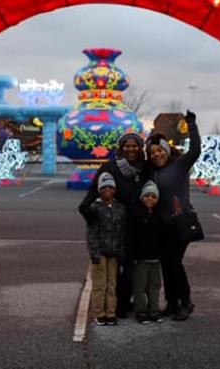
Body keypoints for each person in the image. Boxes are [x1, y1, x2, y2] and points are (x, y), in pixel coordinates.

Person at [78, 132, 147, 317]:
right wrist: (88, 212)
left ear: (140, 148)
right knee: (114, 268)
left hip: (137, 227)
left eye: (135, 145)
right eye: (127, 145)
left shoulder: (145, 167)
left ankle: (124, 301)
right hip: (115, 226)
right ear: (121, 147)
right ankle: (114, 304)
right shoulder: (110, 167)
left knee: (132, 268)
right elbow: (94, 191)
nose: (131, 149)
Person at [147, 110, 201, 321]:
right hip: (162, 224)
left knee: (174, 263)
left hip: (180, 222)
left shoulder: (179, 166)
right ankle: (171, 303)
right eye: (152, 153)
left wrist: (192, 125)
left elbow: (195, 150)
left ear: (167, 150)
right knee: (167, 263)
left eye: (159, 151)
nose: (156, 155)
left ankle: (185, 302)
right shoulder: (152, 172)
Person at [86, 172, 126, 326]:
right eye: (104, 187)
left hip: (114, 252)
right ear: (99, 190)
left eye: (110, 187)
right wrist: (94, 252)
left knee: (112, 284)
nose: (107, 190)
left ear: (115, 189)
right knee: (99, 285)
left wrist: (121, 251)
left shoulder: (120, 209)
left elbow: (122, 232)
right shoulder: (94, 207)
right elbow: (91, 233)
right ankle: (99, 312)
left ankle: (110, 312)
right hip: (100, 253)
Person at [128, 180, 164, 324]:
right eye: (147, 196)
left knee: (155, 285)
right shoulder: (136, 214)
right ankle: (141, 310)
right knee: (139, 286)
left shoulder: (158, 215)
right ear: (142, 197)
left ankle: (154, 309)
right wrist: (132, 256)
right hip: (141, 258)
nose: (150, 199)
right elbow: (131, 237)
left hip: (155, 258)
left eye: (153, 197)